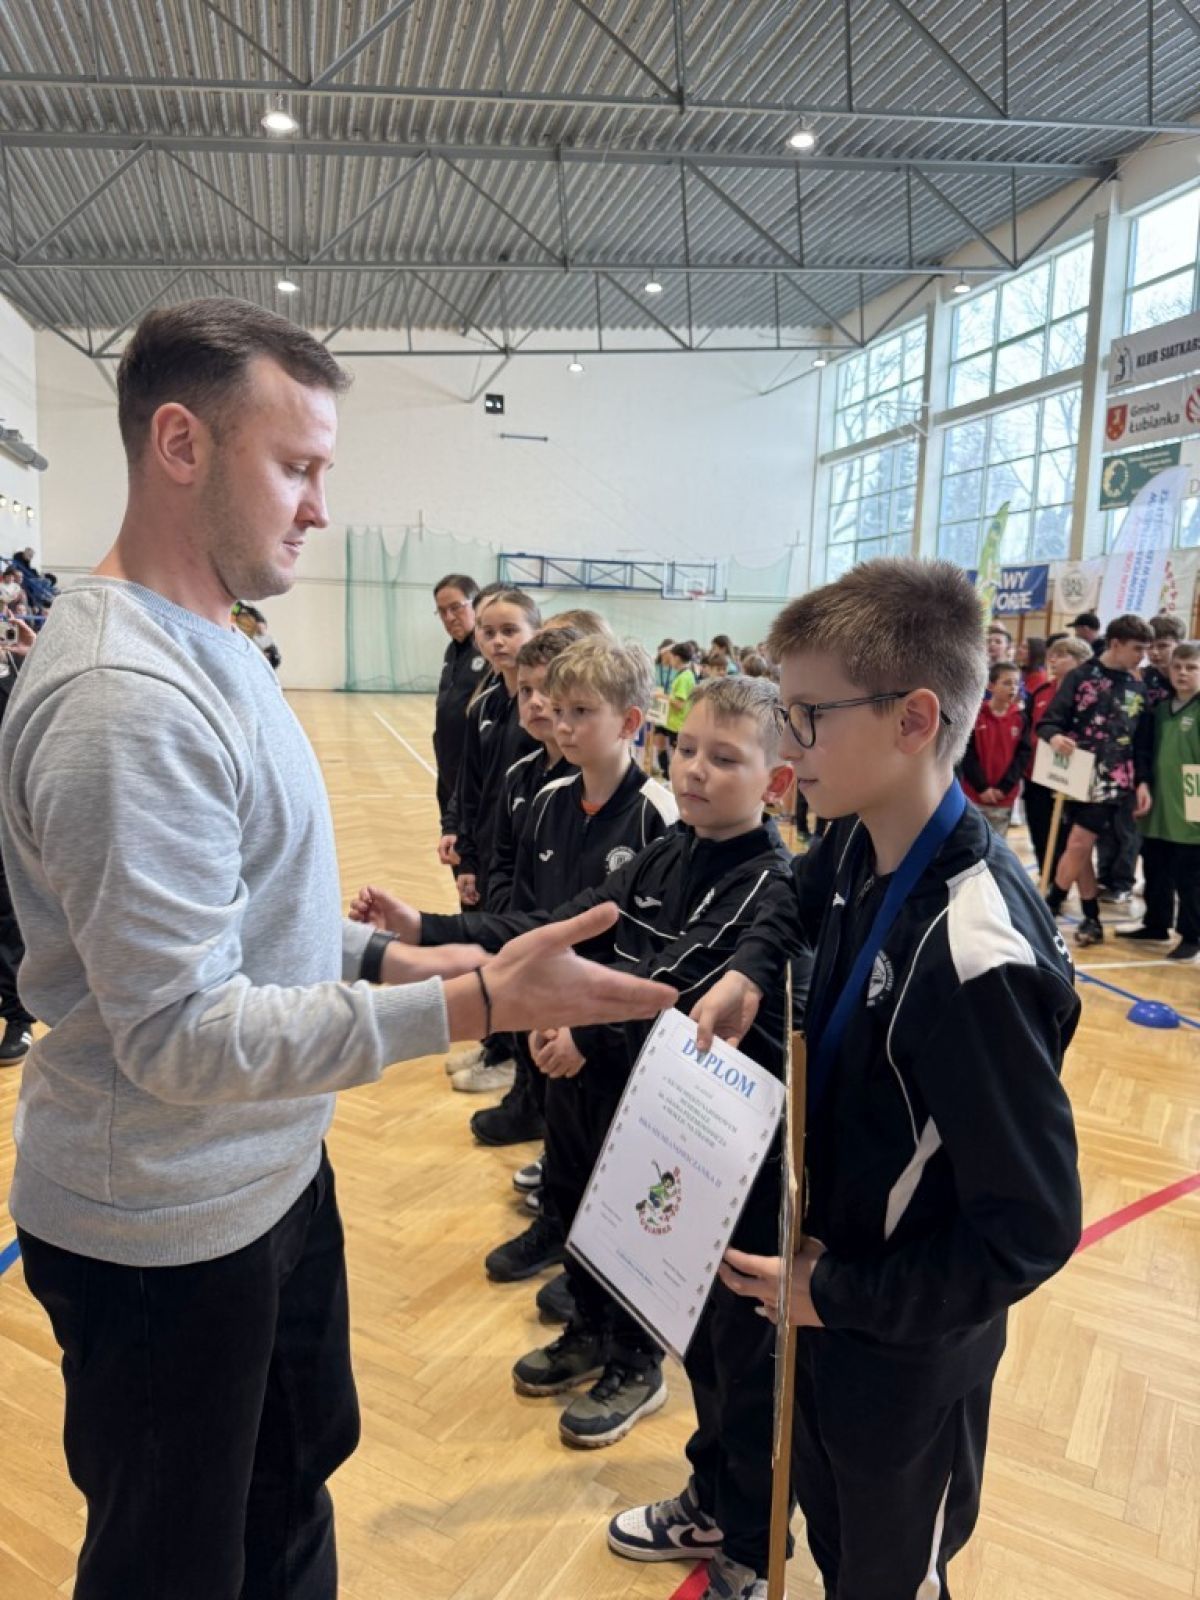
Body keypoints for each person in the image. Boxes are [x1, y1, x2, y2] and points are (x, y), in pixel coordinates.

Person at [0, 297, 677, 1600]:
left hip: (261, 1176)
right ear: (181, 444)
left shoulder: (215, 640)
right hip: (161, 1230)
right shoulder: (122, 701)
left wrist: (392, 961)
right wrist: (475, 1003)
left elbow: (257, 911)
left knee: (290, 1497)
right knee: (175, 1565)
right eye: (296, 466)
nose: (320, 507)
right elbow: (180, 1034)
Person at [687, 557, 1080, 1600]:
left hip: (907, 1351)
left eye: (808, 718)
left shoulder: (977, 959)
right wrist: (749, 968)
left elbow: (1031, 1230)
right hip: (832, 1303)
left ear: (913, 719)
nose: (786, 749)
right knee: (833, 1540)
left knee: (887, 1574)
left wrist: (839, 1293)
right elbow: (791, 890)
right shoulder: (860, 836)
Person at [358, 636, 678, 1294]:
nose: (562, 725)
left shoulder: (660, 816)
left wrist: (588, 1031)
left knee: (613, 1147)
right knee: (561, 1131)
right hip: (549, 1013)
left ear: (629, 721)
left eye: (581, 711)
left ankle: (604, 1275)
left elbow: (658, 949)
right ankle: (557, 1229)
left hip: (615, 1029)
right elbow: (530, 921)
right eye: (557, 710)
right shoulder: (549, 800)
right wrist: (425, 928)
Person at [439, 586, 543, 1093]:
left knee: (513, 956)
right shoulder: (485, 704)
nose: (498, 641)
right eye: (489, 631)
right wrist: (465, 852)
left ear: (535, 633)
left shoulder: (541, 710)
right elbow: (470, 784)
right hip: (488, 852)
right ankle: (495, 1043)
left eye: (510, 631)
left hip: (524, 857)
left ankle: (516, 1058)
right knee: (486, 947)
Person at [1039, 613, 1154, 945]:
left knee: (1078, 843)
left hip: (1111, 783)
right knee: (1080, 850)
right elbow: (1049, 722)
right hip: (1072, 777)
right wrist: (1055, 737)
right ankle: (1092, 919)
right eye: (1137, 648)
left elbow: (1142, 743)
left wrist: (1142, 781)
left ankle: (1049, 907)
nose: (1142, 656)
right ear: (1115, 644)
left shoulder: (1138, 687)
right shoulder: (1080, 677)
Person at [1119, 641, 1200, 962]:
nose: (1183, 673)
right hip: (1159, 805)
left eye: (1192, 668)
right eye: (1178, 667)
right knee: (1156, 866)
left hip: (1192, 805)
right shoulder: (1160, 710)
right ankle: (1156, 923)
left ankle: (1192, 935)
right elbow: (1145, 752)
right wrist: (1143, 782)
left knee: (1190, 876)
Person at [0, 606, 39, 1064]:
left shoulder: (16, 669)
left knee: (7, 914)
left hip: (6, 808)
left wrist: (33, 659)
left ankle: (18, 1016)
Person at [431, 572, 487, 863]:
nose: (449, 617)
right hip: (448, 774)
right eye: (442, 611)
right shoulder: (452, 651)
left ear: (476, 604)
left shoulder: (487, 651)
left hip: (474, 780)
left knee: (474, 864)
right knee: (456, 857)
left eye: (456, 607)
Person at [1024, 636, 1091, 876]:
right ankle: (1046, 875)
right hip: (1036, 772)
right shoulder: (1041, 691)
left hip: (1069, 775)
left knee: (1066, 835)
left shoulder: (1088, 695)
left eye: (1062, 655)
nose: (1053, 659)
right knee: (1038, 828)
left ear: (1081, 661)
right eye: (1052, 654)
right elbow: (1028, 728)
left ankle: (1061, 882)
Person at [959, 661, 1030, 836]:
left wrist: (1003, 788)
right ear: (991, 686)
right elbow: (967, 753)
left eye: (1016, 683)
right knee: (971, 840)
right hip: (975, 794)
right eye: (1006, 683)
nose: (1013, 688)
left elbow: (1022, 757)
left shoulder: (1020, 718)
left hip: (1003, 797)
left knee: (997, 844)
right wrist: (982, 787)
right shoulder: (975, 716)